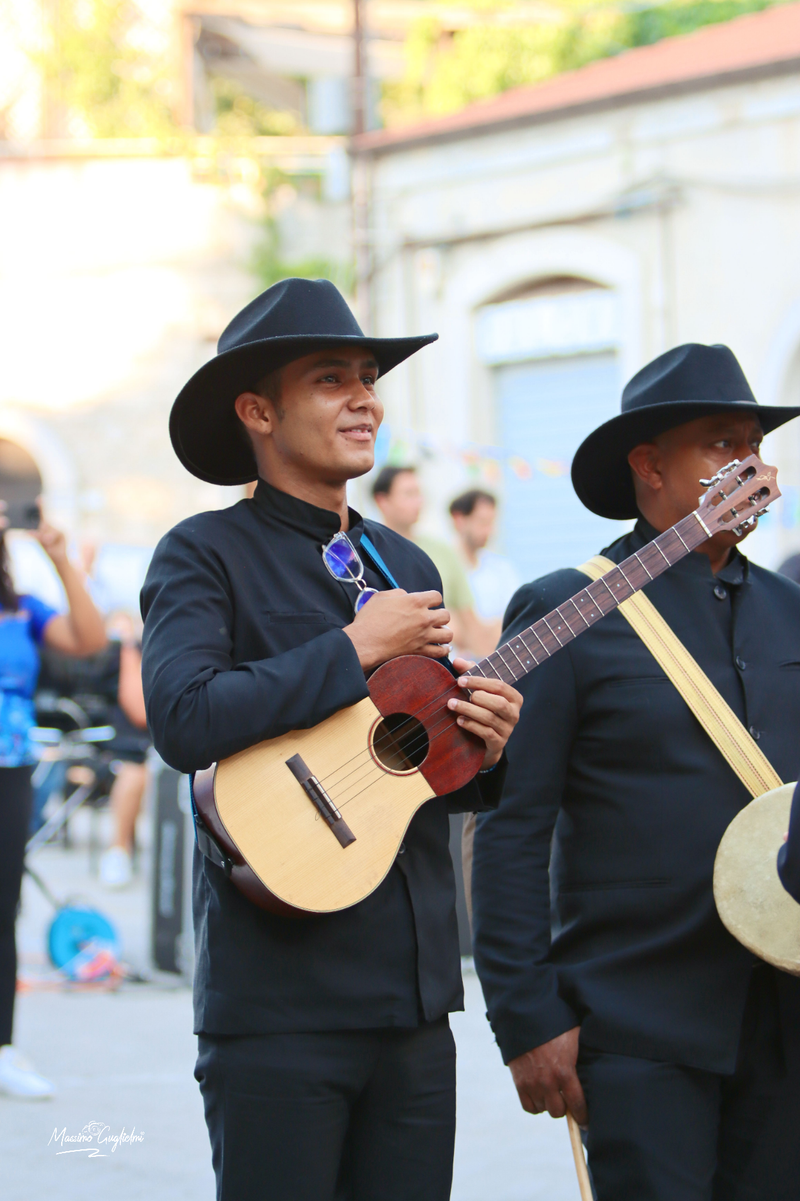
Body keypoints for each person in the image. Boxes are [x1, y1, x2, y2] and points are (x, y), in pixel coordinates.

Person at [140, 277, 522, 1201]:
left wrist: (486, 749)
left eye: (369, 377)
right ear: (258, 410)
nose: (365, 398)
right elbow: (184, 716)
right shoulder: (201, 553)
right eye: (331, 378)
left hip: (417, 1003)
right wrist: (353, 648)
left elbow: (416, 765)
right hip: (278, 1008)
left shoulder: (410, 560)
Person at [471, 343, 800, 1200]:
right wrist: (526, 1017)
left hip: (785, 1020)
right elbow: (510, 826)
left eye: (753, 447)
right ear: (649, 466)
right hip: (636, 1025)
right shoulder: (567, 608)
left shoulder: (793, 611)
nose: (748, 466)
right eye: (719, 444)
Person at [0, 507, 106, 1099]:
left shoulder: (21, 608)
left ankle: (2, 1048)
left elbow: (89, 640)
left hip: (9, 765)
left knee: (2, 906)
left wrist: (62, 558)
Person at [372, 465, 495, 656]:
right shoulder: (366, 553)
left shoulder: (442, 551)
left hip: (446, 666)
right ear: (382, 501)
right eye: (409, 494)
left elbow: (470, 623)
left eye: (419, 493)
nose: (419, 501)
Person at [449, 489, 519, 646]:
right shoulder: (442, 567)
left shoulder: (502, 568)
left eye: (491, 522)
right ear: (459, 520)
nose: (489, 530)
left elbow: (513, 622)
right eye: (482, 522)